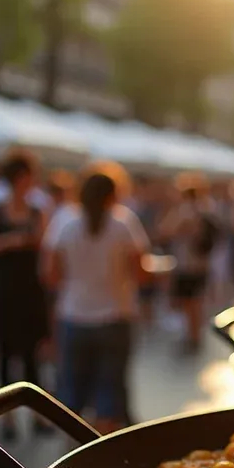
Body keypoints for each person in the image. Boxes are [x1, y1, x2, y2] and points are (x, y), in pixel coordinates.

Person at [42, 164, 150, 433]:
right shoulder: (124, 223)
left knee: (72, 390)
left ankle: (72, 449)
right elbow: (141, 274)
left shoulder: (64, 222)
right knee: (109, 392)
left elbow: (50, 275)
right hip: (116, 315)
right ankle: (104, 446)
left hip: (73, 315)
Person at [0, 151, 50, 439]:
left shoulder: (37, 211)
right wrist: (9, 241)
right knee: (4, 355)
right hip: (4, 290)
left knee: (31, 356)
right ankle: (7, 418)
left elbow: (46, 246)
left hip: (30, 290)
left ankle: (37, 416)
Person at [159, 172, 215, 353]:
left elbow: (166, 232)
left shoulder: (185, 212)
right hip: (201, 263)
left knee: (189, 302)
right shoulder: (205, 209)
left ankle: (192, 335)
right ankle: (195, 335)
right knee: (195, 302)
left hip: (187, 264)